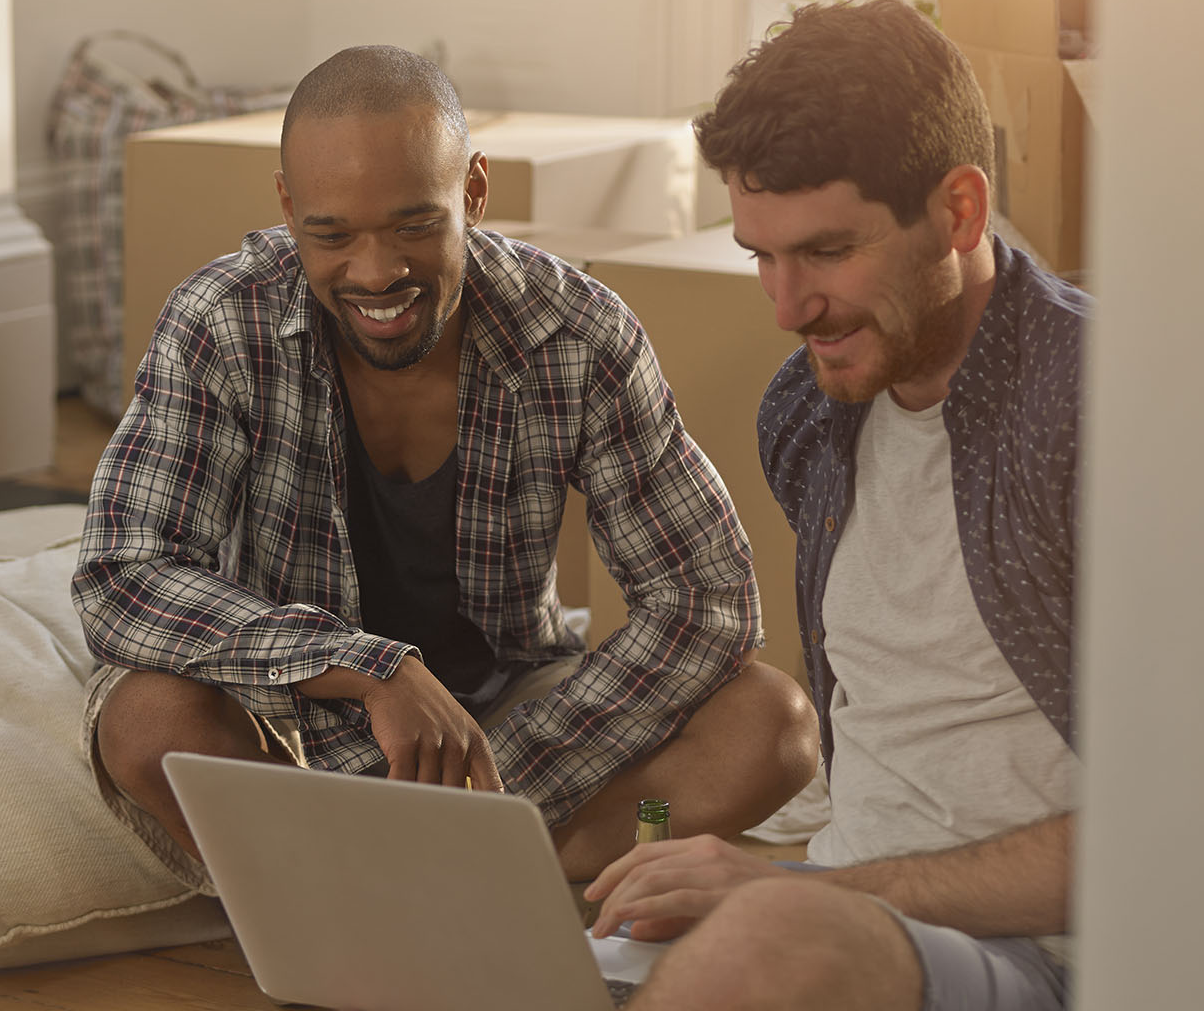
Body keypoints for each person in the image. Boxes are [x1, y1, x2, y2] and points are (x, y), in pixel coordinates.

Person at [72, 44, 818, 892]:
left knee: (774, 725)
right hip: (292, 709)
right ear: (287, 207)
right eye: (331, 235)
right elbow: (121, 574)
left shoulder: (577, 332)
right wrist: (369, 667)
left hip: (508, 707)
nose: (376, 273)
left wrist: (492, 782)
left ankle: (400, 878)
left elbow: (705, 597)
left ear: (473, 190)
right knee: (146, 719)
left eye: (414, 226)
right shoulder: (220, 320)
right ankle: (446, 878)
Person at [584, 0, 1087, 1010]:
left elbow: (1185, 825)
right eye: (761, 255)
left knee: (768, 942)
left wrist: (796, 895)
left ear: (960, 210)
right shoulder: (807, 413)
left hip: (1049, 951)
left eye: (825, 251)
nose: (788, 306)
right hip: (851, 903)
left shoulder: (1098, 411)